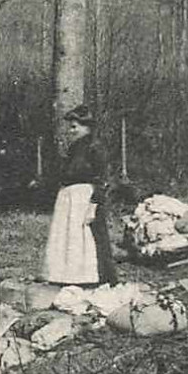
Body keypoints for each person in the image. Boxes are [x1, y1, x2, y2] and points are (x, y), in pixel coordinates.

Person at [41, 104, 118, 286]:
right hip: (69, 200)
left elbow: (103, 178)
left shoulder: (95, 147)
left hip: (84, 199)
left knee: (85, 239)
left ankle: (92, 278)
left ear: (87, 127)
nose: (71, 130)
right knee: (67, 238)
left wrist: (94, 204)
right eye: (70, 126)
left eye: (75, 126)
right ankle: (67, 276)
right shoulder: (74, 148)